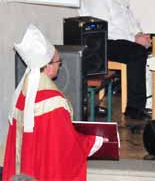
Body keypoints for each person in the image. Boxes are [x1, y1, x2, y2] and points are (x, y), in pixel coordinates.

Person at [2, 25, 105, 180]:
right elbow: (66, 145)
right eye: (59, 61)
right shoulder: (53, 102)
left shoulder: (21, 96)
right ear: (48, 67)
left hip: (23, 167)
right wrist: (92, 141)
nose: (60, 65)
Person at [80, 0, 151, 120]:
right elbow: (107, 29)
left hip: (124, 38)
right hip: (103, 43)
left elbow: (130, 18)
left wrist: (140, 33)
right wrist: (134, 39)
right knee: (137, 52)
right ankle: (134, 108)